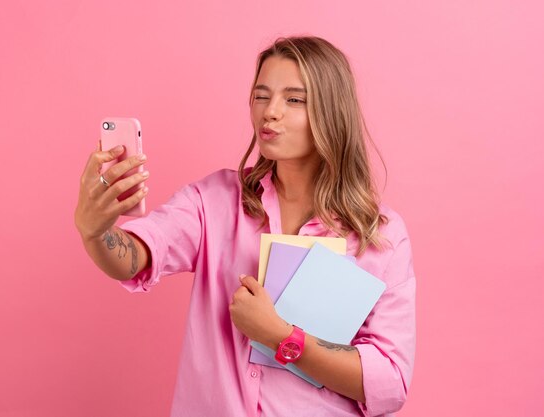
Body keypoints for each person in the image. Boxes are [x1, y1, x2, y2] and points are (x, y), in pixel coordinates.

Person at [75, 36, 416, 417]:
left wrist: (283, 338)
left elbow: (389, 381)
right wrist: (96, 231)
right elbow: (136, 255)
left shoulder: (380, 236)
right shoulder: (215, 199)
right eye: (261, 95)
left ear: (332, 112)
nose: (269, 112)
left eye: (294, 99)